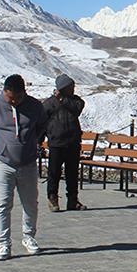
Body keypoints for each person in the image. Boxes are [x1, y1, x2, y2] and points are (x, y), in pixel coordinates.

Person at [0, 74, 49, 261]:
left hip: (28, 163)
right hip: (3, 163)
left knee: (30, 203)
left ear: (24, 92)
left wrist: (33, 140)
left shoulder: (34, 106)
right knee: (2, 204)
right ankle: (3, 243)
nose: (14, 101)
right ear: (4, 92)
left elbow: (42, 125)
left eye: (17, 97)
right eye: (10, 97)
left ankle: (29, 236)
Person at [43, 73, 87, 213]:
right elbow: (42, 122)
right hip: (56, 143)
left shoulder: (76, 101)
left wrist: (62, 99)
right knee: (54, 173)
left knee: (72, 174)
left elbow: (77, 109)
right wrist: (41, 140)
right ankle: (53, 198)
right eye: (69, 87)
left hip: (72, 143)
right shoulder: (49, 104)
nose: (73, 89)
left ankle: (73, 200)